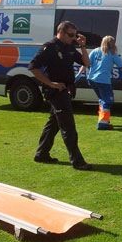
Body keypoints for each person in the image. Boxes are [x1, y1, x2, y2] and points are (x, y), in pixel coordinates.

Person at [28, 21, 92, 171]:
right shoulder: (49, 47)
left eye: (75, 35)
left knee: (53, 124)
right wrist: (51, 84)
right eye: (70, 35)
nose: (73, 38)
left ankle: (41, 154)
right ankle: (78, 161)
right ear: (61, 32)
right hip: (56, 92)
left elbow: (86, 62)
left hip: (67, 89)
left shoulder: (69, 47)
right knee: (68, 127)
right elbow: (33, 67)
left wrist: (82, 46)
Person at [80, 36, 122, 130]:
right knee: (107, 101)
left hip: (92, 79)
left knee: (102, 99)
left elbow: (86, 63)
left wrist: (79, 73)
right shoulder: (112, 54)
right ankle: (103, 123)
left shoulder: (95, 51)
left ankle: (104, 119)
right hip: (104, 81)